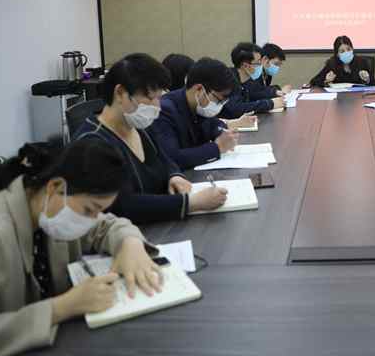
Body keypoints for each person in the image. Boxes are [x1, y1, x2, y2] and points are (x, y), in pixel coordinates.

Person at [0, 139, 163, 356]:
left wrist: (130, 244)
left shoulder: (46, 208)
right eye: (90, 210)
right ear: (55, 187)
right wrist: (61, 307)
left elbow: (107, 225)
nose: (93, 219)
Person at [75, 53, 228, 223]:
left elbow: (165, 158)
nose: (157, 106)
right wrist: (190, 203)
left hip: (159, 224)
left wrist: (174, 175)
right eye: (150, 98)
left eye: (159, 98)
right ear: (120, 93)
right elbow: (123, 205)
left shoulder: (139, 127)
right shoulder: (92, 143)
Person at [150, 57, 255, 170]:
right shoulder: (165, 110)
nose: (219, 105)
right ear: (199, 89)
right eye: (219, 100)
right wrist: (217, 147)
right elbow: (172, 158)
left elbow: (214, 124)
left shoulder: (199, 106)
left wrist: (223, 133)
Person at [219, 43, 284, 119]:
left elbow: (250, 100)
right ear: (245, 66)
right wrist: (270, 104)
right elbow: (235, 109)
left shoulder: (246, 81)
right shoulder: (229, 80)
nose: (262, 65)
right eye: (259, 62)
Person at [309, 35, 375, 87]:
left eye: (348, 49)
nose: (346, 53)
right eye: (342, 51)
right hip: (338, 98)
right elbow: (313, 81)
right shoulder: (332, 64)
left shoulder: (361, 62)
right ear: (337, 54)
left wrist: (367, 79)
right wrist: (326, 81)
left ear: (352, 49)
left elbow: (374, 82)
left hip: (358, 98)